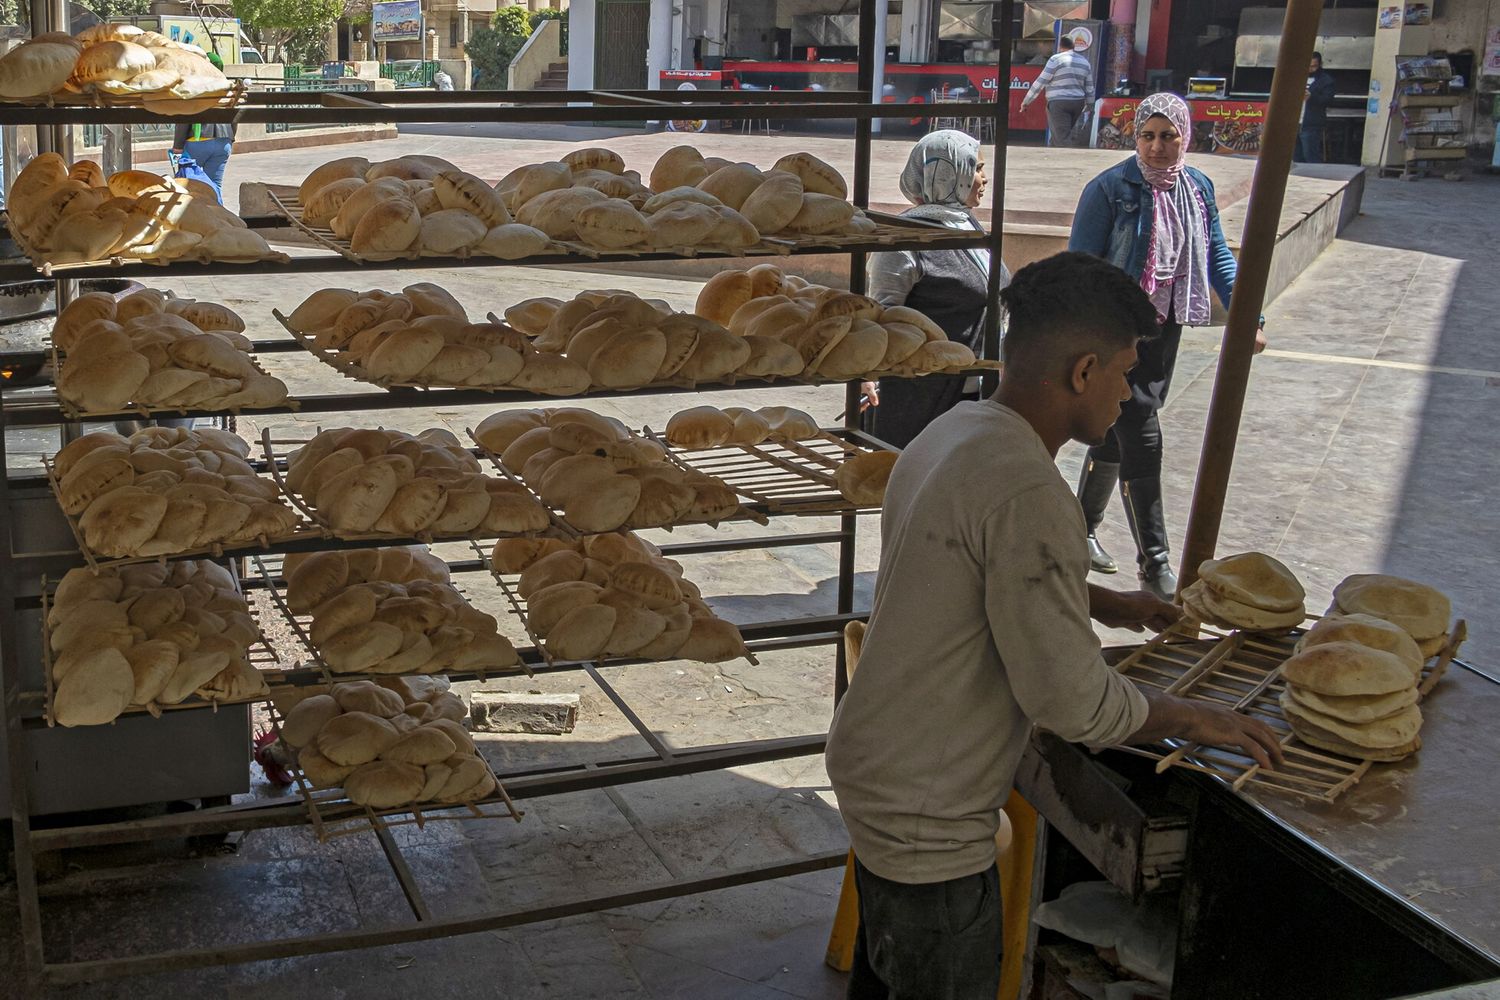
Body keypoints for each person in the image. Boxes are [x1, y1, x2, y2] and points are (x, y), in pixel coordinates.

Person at [825, 252, 1282, 1000]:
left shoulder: (958, 430)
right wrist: (1199, 718)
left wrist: (1106, 603)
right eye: (1125, 372)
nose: (1128, 391)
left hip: (877, 761)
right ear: (1083, 371)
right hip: (927, 812)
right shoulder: (1031, 491)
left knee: (890, 973)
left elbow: (960, 568)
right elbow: (1075, 705)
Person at [1067, 91, 1265, 600]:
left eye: (1168, 135)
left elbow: (1218, 255)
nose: (1157, 147)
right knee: (1142, 430)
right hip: (1116, 332)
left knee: (1117, 431)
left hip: (1165, 326)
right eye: (1147, 135)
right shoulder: (1110, 188)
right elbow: (1080, 268)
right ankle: (1154, 564)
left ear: (1185, 137)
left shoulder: (1196, 187)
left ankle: (1079, 531)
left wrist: (1248, 318)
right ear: (1135, 137)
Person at [860, 131, 1011, 448]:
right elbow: (879, 316)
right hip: (919, 402)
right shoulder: (905, 243)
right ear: (947, 173)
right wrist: (867, 376)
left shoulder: (967, 228)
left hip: (973, 394)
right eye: (975, 169)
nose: (984, 179)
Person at [171, 53, 235, 199]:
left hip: (198, 142)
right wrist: (231, 139)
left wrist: (178, 145)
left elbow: (184, 117)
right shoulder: (228, 88)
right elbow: (234, 117)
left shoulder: (195, 86)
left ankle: (191, 217)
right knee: (215, 185)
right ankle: (218, 217)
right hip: (224, 142)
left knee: (189, 185)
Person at [1019, 35, 1094, 147]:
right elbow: (1089, 87)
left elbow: (1040, 82)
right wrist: (1090, 104)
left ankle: (1068, 162)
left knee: (1062, 138)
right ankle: (1050, 159)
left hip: (1059, 103)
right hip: (1078, 103)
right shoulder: (1084, 62)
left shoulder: (1056, 60)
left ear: (1060, 46)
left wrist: (1026, 101)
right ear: (1073, 46)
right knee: (1058, 135)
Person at [1295, 52, 1337, 164]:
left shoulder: (1326, 80)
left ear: (1319, 65)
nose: (1310, 69)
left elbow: (1328, 100)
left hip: (1311, 124)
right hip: (1294, 122)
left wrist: (1311, 97)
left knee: (1310, 155)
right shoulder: (1296, 77)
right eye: (1308, 66)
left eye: (1313, 66)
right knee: (1295, 156)